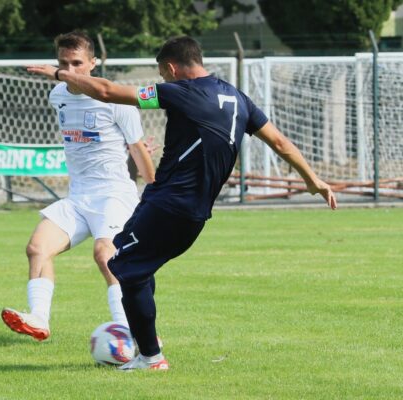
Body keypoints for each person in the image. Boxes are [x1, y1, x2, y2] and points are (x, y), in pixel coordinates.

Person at [27, 36, 338, 370]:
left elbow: (105, 91)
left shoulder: (180, 92)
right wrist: (312, 179)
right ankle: (148, 342)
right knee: (134, 265)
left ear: (172, 68)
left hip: (169, 204)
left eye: (163, 74)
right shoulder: (237, 98)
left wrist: (58, 73)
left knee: (123, 268)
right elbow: (279, 141)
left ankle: (150, 355)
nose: (162, 80)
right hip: (194, 213)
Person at [1, 31, 156, 341]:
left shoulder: (116, 100)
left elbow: (138, 149)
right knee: (37, 248)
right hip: (79, 197)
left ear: (93, 63)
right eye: (63, 63)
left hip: (114, 194)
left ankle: (128, 329)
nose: (70, 70)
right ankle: (39, 319)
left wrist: (154, 193)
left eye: (77, 63)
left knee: (105, 254)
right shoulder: (57, 95)